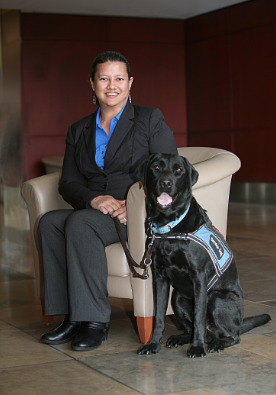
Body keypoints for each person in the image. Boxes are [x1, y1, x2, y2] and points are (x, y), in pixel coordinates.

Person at [38, 51, 177, 351]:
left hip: (135, 215)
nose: (111, 85)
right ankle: (72, 317)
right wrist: (94, 198)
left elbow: (168, 170)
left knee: (80, 222)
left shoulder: (148, 118)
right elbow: (69, 183)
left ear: (130, 82)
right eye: (103, 78)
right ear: (92, 83)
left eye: (119, 78)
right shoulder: (78, 130)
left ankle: (94, 321)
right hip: (99, 209)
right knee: (50, 222)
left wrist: (136, 204)